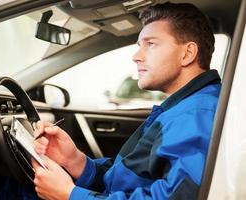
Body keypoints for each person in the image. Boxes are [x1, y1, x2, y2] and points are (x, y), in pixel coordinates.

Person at [31, 2, 221, 200]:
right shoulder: (183, 108)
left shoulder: (196, 114)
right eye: (140, 46)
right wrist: (75, 161)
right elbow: (129, 180)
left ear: (187, 53)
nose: (136, 56)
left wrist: (69, 195)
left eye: (151, 44)